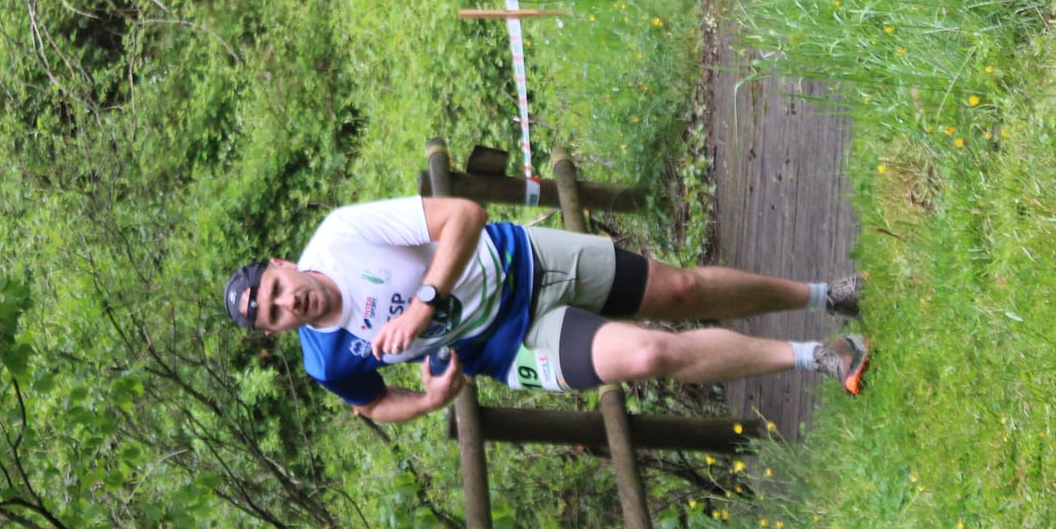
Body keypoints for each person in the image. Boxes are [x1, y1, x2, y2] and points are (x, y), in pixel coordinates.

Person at [221, 195, 867, 424]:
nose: (288, 303)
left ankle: (822, 294)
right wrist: (429, 400)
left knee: (681, 291)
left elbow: (464, 216)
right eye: (274, 314)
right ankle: (821, 357)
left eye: (277, 289)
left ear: (282, 262)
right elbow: (371, 403)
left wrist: (424, 304)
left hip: (524, 259)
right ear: (273, 331)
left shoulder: (343, 234)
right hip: (511, 344)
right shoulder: (327, 359)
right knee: (647, 353)